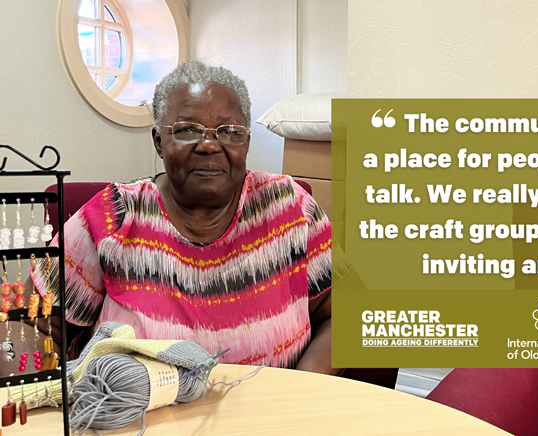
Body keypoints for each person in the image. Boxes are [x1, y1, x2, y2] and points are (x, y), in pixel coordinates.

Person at [29, 60, 337, 374]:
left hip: (276, 415)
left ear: (245, 141)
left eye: (229, 131)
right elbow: (30, 324)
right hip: (134, 416)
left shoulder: (291, 209)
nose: (208, 145)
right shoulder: (111, 217)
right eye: (188, 130)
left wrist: (304, 388)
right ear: (159, 142)